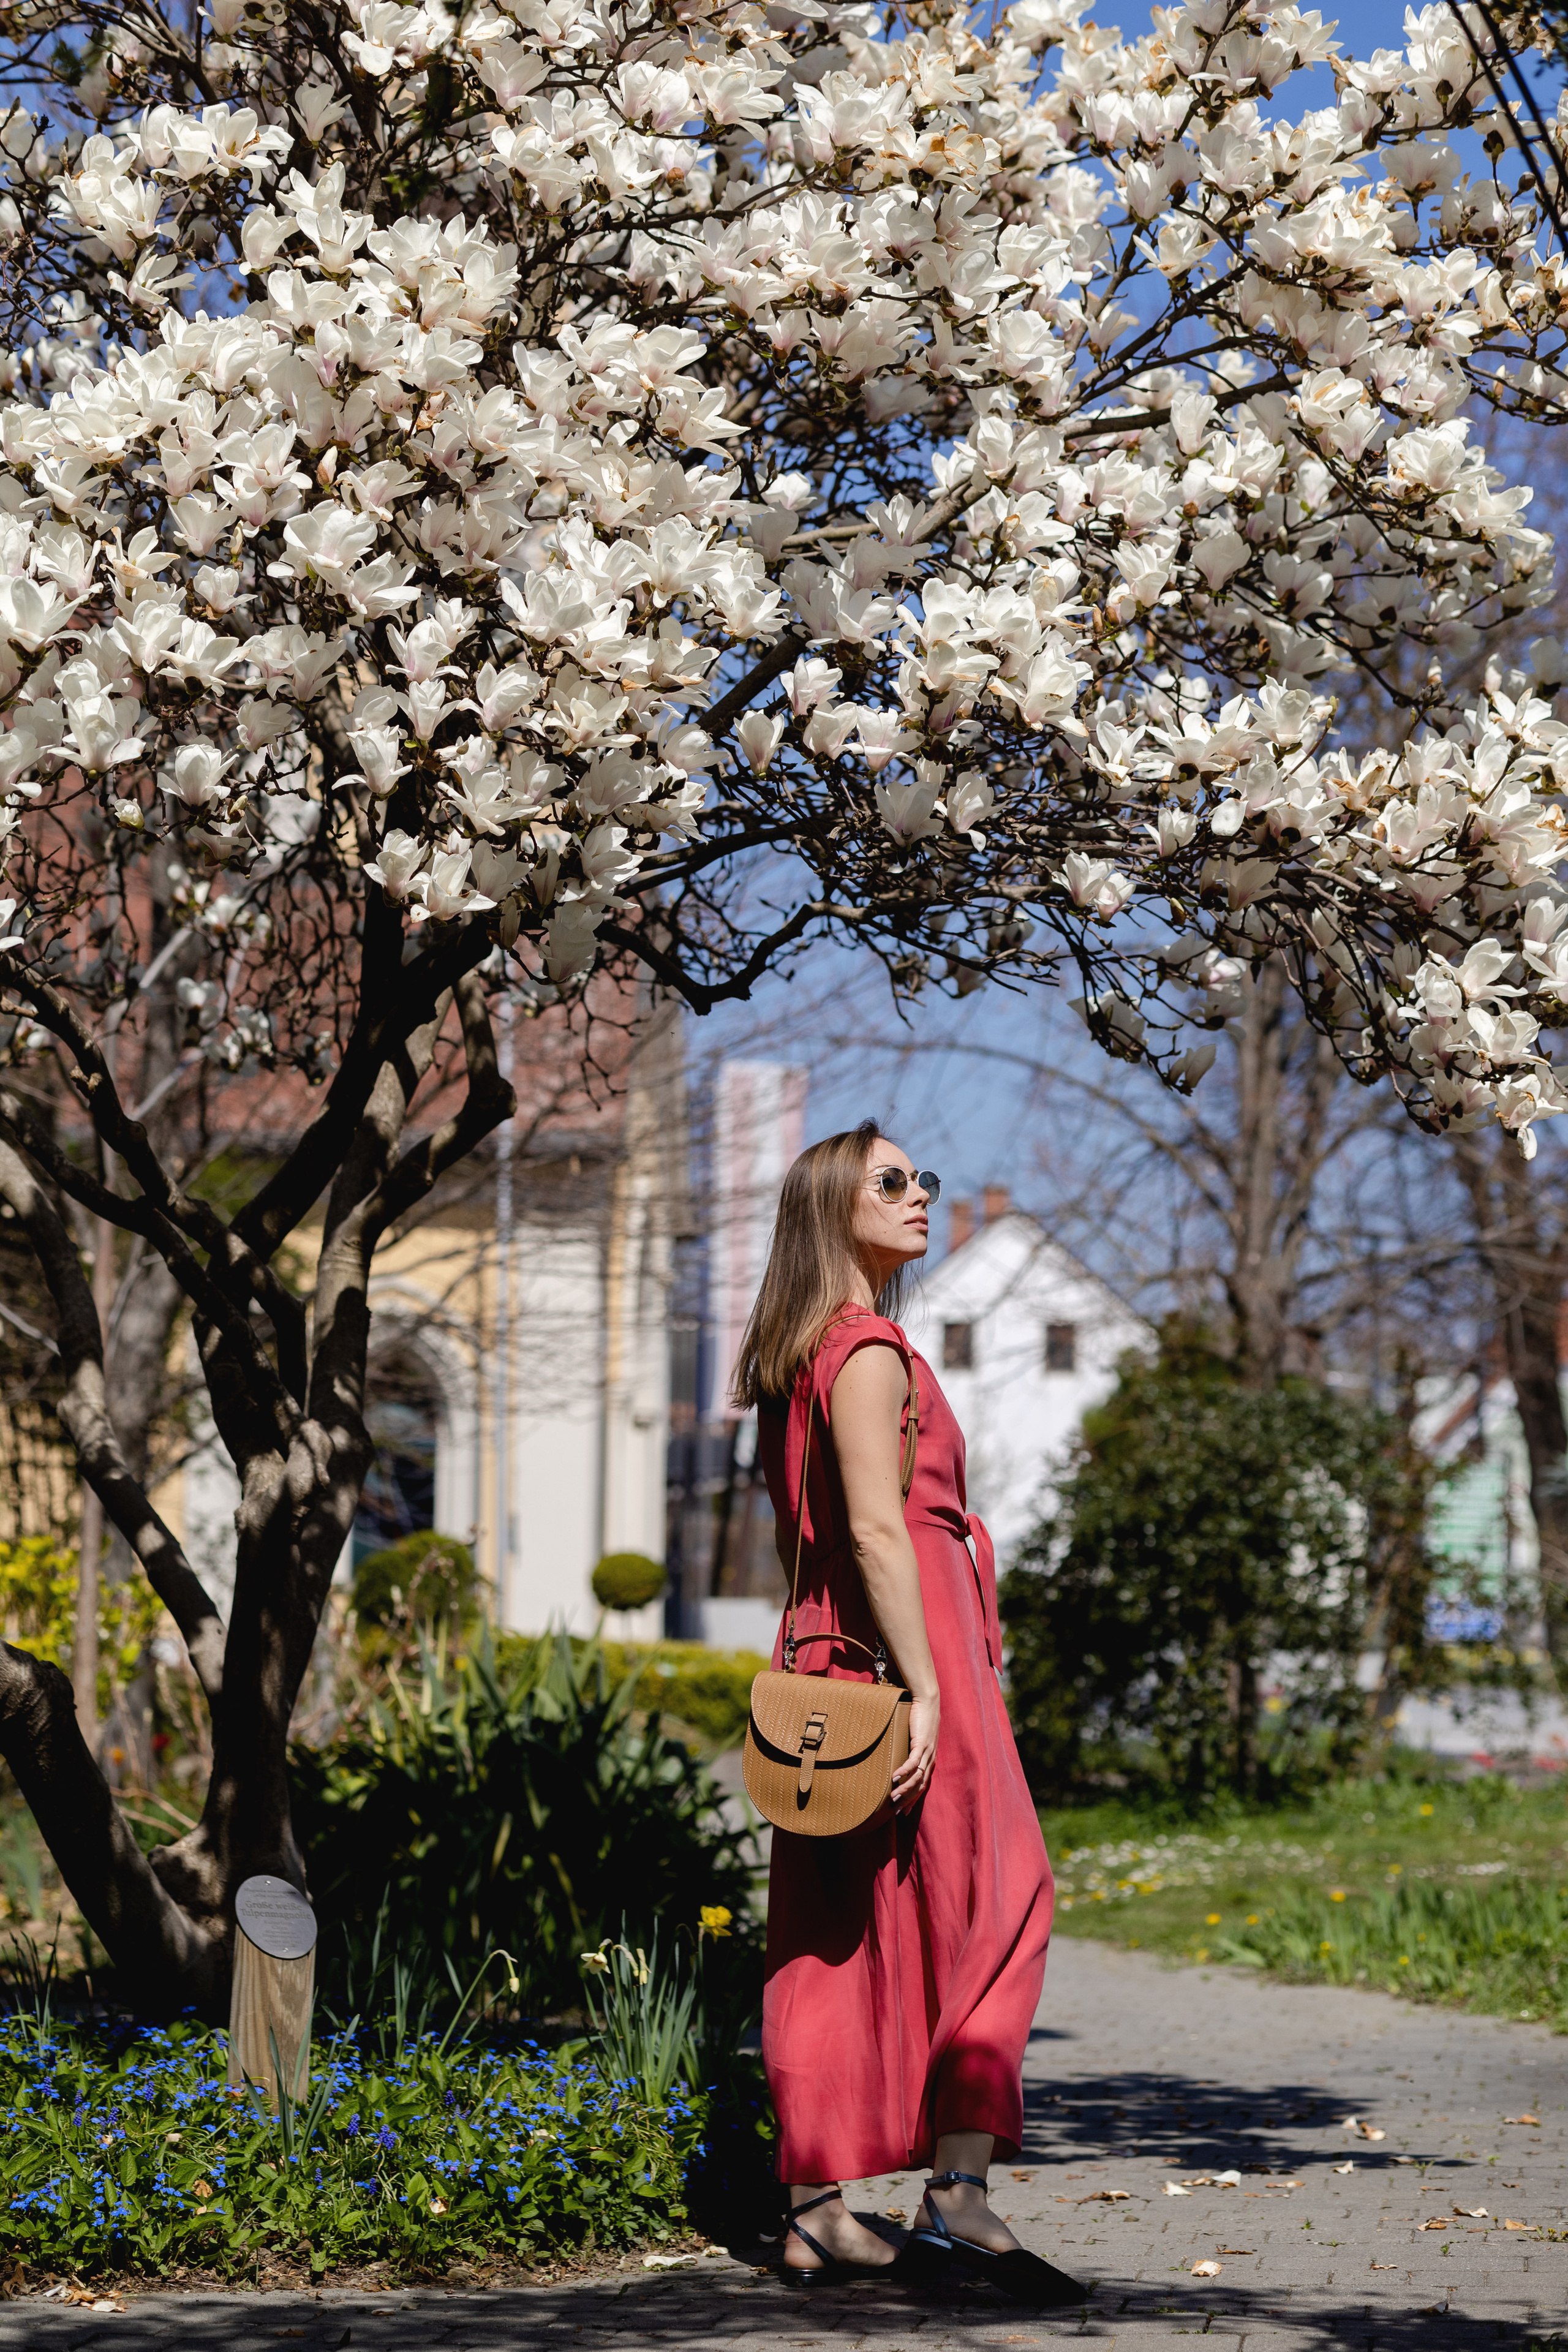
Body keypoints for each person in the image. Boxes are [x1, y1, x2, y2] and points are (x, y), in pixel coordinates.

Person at [732, 1121, 1084, 2309]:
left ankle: (815, 2214)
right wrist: (935, 1683)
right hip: (908, 1664)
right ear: (836, 1206)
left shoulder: (801, 1357)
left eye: (921, 1175)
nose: (920, 1193)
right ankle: (956, 2200)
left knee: (838, 1936)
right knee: (1005, 1896)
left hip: (839, 1667)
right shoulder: (869, 1348)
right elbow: (879, 1530)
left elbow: (808, 1541)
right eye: (892, 1181)